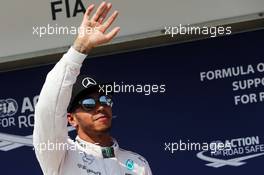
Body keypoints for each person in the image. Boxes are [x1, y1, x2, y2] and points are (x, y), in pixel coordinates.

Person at [33, 2, 152, 175]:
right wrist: (80, 48)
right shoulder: (60, 155)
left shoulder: (138, 164)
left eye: (105, 100)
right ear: (71, 119)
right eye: (88, 103)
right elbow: (48, 109)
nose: (101, 107)